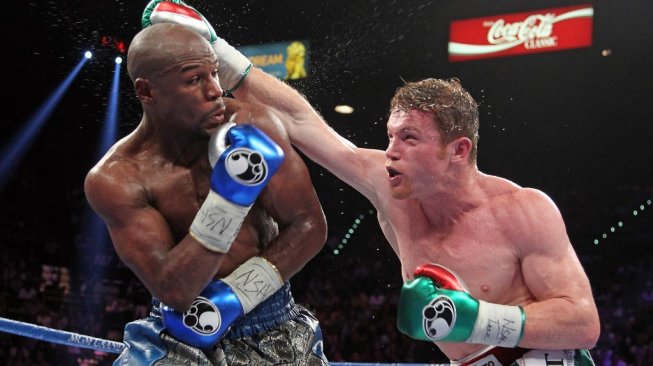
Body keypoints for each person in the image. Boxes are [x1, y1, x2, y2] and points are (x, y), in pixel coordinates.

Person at [152, 1, 601, 364]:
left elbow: (584, 323)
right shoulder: (390, 187)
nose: (391, 151)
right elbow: (299, 120)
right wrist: (221, 53)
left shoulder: (523, 210)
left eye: (409, 138)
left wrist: (479, 320)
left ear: (458, 151)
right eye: (390, 135)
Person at [84, 22, 328, 365]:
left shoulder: (254, 125)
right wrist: (230, 199)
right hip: (179, 327)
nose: (215, 89)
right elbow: (175, 290)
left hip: (273, 321)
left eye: (214, 73)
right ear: (147, 91)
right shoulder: (117, 179)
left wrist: (236, 295)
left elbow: (309, 225)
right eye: (194, 79)